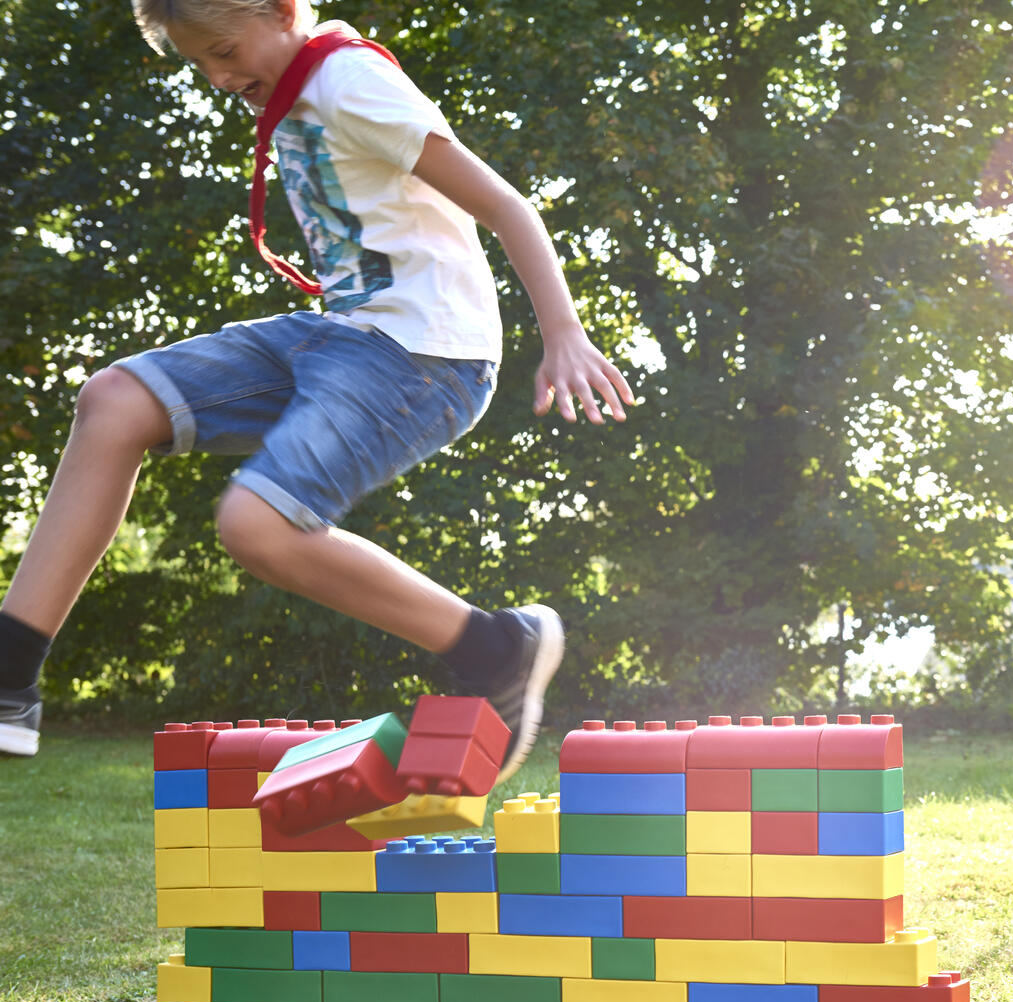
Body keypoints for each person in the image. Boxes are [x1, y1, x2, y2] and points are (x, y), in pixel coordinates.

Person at [0, 0, 636, 775]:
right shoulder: (294, 87)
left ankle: (495, 648)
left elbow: (505, 204)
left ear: (282, 11)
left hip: (423, 355)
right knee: (114, 402)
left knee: (256, 525)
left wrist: (563, 332)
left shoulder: (350, 80)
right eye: (200, 63)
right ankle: (10, 675)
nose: (218, 76)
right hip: (344, 337)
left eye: (225, 51)